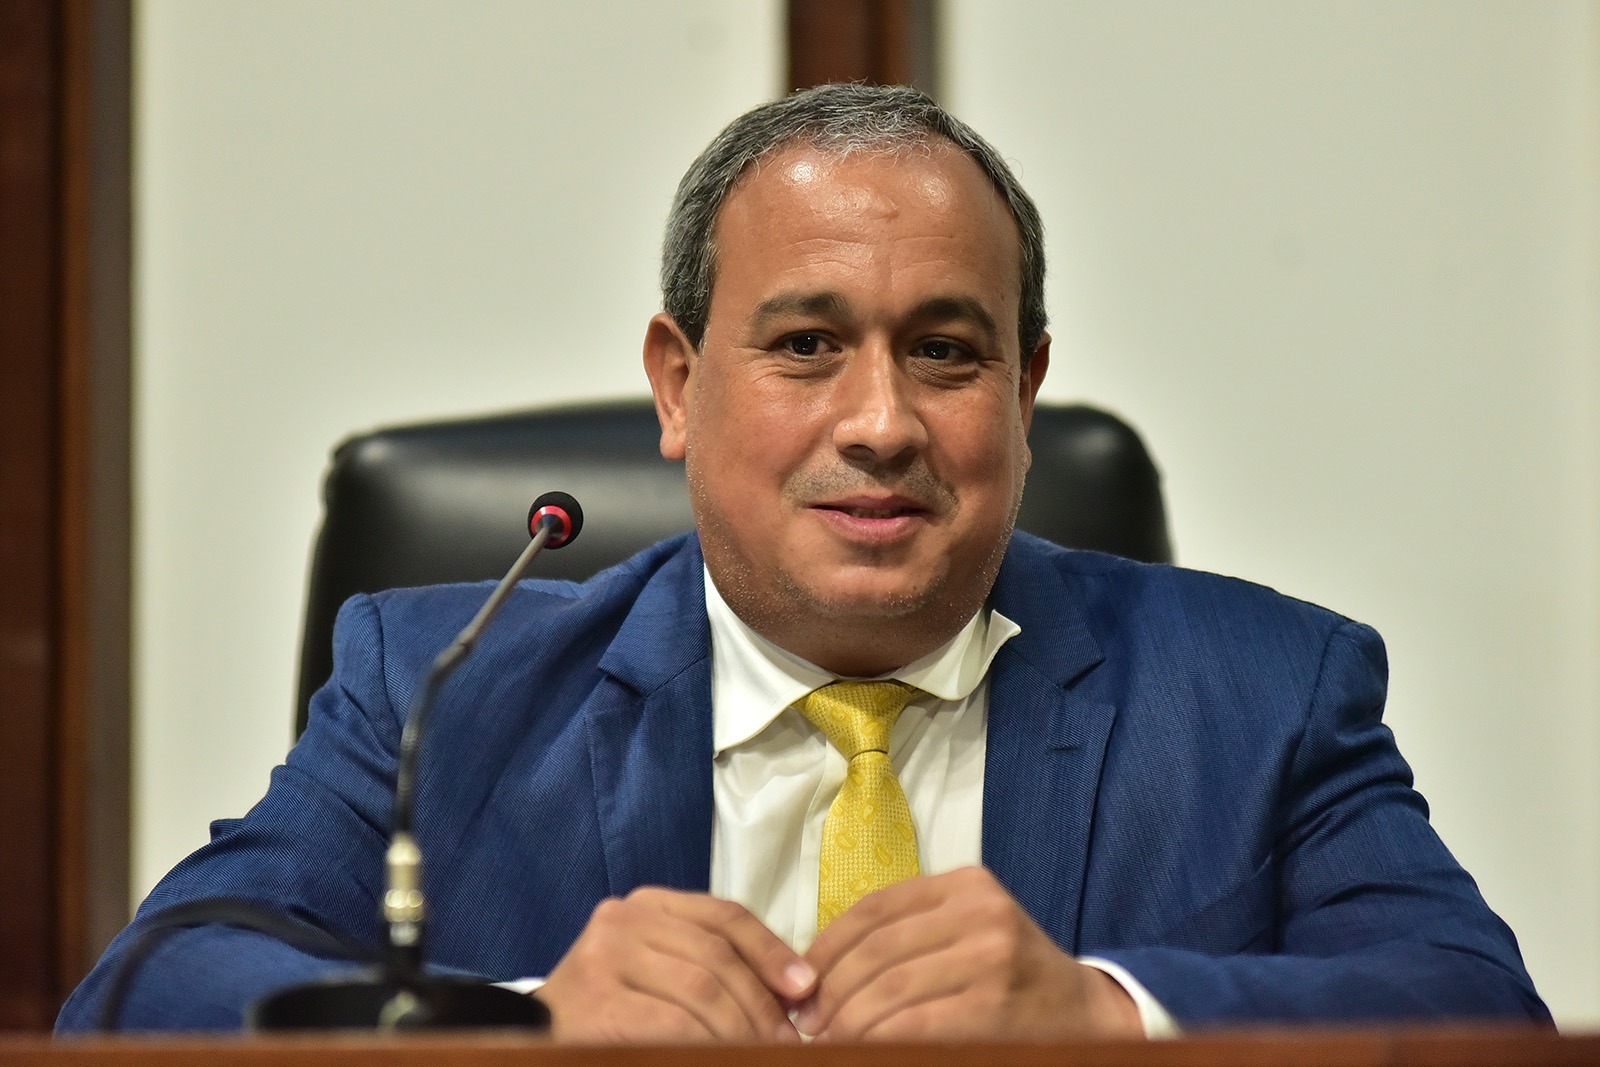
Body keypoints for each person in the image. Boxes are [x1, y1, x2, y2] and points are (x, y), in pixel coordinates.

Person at [58, 83, 1548, 1040]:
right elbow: (144, 991)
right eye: (808, 346)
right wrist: (522, 1025)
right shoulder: (443, 689)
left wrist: (1104, 1018)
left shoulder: (1262, 692)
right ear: (678, 386)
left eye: (946, 352)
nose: (882, 423)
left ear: (1025, 394)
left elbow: (1477, 1012)